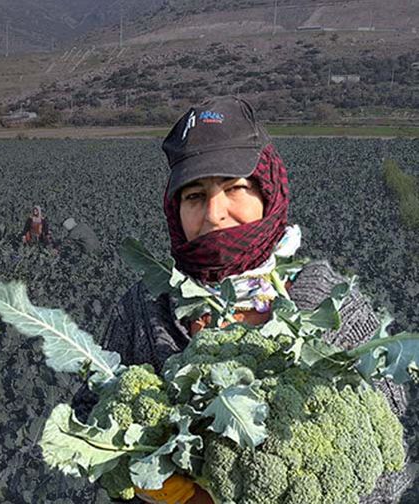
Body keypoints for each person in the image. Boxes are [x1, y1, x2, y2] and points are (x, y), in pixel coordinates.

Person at [73, 96, 412, 504]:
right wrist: (167, 490)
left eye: (235, 188)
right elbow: (88, 419)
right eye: (194, 196)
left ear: (269, 193)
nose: (215, 213)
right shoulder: (144, 309)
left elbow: (387, 452)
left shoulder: (331, 303)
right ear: (175, 209)